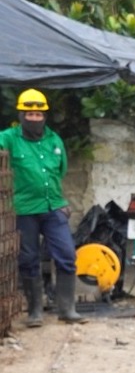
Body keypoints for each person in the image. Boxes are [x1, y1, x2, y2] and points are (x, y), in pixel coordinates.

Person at [0, 88, 86, 326]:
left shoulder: (54, 140)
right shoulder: (9, 138)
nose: (34, 119)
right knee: (29, 259)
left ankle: (67, 309)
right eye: (29, 114)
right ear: (21, 115)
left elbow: (62, 170)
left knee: (67, 255)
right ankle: (35, 312)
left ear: (44, 116)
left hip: (53, 207)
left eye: (39, 114)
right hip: (24, 209)